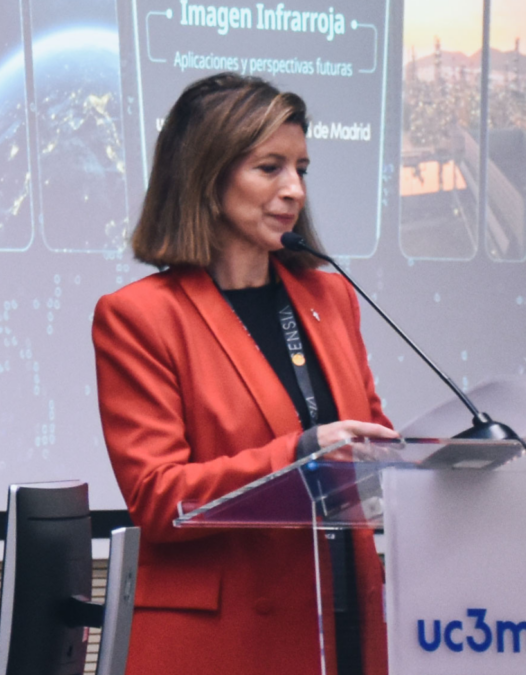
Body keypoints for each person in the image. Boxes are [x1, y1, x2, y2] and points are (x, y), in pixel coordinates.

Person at [92, 72, 398, 675]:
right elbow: (159, 497)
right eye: (270, 168)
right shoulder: (140, 317)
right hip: (221, 640)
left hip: (343, 621)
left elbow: (372, 441)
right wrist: (303, 453)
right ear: (207, 178)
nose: (294, 190)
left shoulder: (332, 297)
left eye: (301, 169)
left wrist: (460, 458)